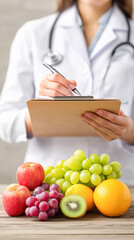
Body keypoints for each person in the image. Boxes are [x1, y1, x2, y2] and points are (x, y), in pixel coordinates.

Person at [0, 0, 134, 185]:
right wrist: (41, 111)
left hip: (119, 188)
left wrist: (129, 132)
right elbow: (4, 123)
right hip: (50, 187)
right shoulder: (32, 34)